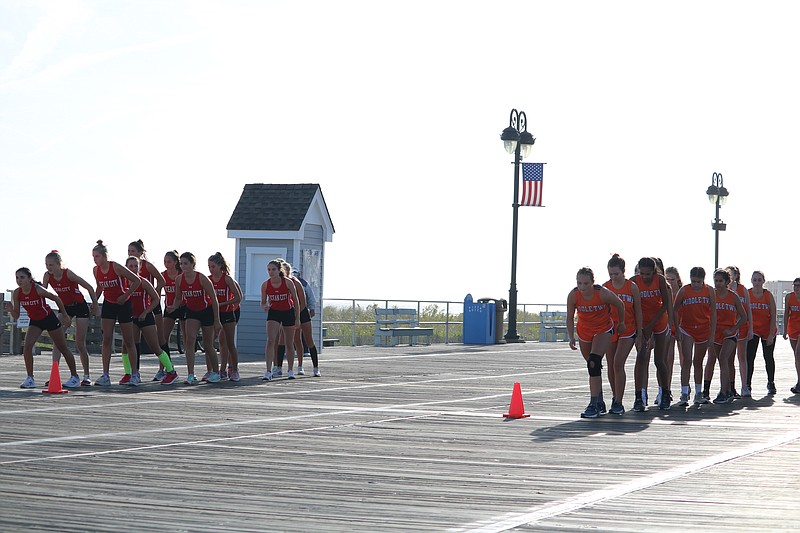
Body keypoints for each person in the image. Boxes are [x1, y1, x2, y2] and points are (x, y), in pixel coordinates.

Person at [567, 266, 625, 419]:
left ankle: (593, 404)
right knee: (592, 366)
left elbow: (620, 304)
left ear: (592, 282)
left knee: (593, 362)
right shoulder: (573, 296)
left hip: (603, 329)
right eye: (579, 283)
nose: (582, 287)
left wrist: (622, 322)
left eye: (586, 284)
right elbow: (569, 316)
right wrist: (571, 336)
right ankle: (599, 400)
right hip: (585, 331)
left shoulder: (602, 293)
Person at [11, 267, 81, 389]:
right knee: (27, 347)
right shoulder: (17, 293)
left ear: (29, 278)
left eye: (22, 277)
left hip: (48, 319)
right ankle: (30, 378)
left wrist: (65, 315)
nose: (19, 280)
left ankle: (75, 377)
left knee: (62, 347)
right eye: (17, 278)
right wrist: (11, 310)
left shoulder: (37, 289)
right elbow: (16, 316)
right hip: (35, 321)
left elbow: (56, 298)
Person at [42, 250, 98, 386]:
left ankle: (86, 376)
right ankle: (54, 374)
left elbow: (90, 288)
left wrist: (95, 305)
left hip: (79, 307)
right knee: (57, 339)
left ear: (58, 264)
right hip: (65, 307)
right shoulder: (47, 276)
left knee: (80, 343)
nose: (49, 268)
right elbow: (43, 292)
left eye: (51, 265)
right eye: (47, 265)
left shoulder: (69, 274)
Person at [166, 252, 221, 385]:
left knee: (208, 345)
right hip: (192, 312)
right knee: (189, 341)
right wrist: (173, 306)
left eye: (186, 263)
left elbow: (214, 299)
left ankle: (216, 372)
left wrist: (217, 320)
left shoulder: (202, 278)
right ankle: (191, 374)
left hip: (206, 311)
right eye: (181, 264)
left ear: (192, 264)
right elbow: (179, 298)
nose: (183, 266)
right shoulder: (179, 279)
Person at [92, 240, 142, 386]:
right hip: (109, 304)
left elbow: (136, 281)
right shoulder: (96, 270)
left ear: (105, 256)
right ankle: (105, 375)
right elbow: (100, 287)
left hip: (123, 304)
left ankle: (134, 373)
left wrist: (126, 295)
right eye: (93, 257)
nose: (95, 259)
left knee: (129, 340)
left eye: (97, 256)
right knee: (106, 339)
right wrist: (95, 302)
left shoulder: (116, 267)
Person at [125, 256, 179, 385]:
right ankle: (132, 373)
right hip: (132, 318)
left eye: (135, 266)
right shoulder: (125, 282)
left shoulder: (143, 282)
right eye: (130, 266)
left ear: (139, 268)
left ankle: (171, 371)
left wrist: (145, 312)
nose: (132, 269)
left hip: (146, 317)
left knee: (155, 347)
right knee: (130, 345)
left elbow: (155, 299)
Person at [631, 257, 674, 411]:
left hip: (659, 322)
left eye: (648, 274)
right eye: (642, 273)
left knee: (659, 360)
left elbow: (665, 305)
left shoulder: (660, 280)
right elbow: (632, 306)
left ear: (654, 272)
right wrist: (641, 328)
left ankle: (665, 392)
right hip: (642, 323)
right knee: (641, 357)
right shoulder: (634, 281)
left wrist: (653, 325)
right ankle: (639, 396)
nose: (645, 277)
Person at [602, 254, 643, 414]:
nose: (613, 277)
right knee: (611, 365)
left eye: (616, 274)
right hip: (610, 329)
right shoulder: (605, 287)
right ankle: (615, 395)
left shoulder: (631, 287)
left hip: (628, 328)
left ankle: (619, 400)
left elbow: (638, 311)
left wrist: (639, 334)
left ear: (623, 271)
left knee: (619, 363)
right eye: (611, 274)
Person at [671, 267, 716, 406]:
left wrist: (712, 334)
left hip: (703, 329)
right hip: (687, 329)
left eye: (699, 281)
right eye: (693, 281)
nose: (696, 284)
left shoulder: (709, 291)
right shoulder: (684, 290)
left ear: (703, 280)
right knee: (687, 361)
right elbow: (674, 309)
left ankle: (698, 392)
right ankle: (684, 393)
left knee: (698, 362)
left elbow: (714, 313)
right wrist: (677, 329)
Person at [709, 268, 747, 403]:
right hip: (715, 333)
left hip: (729, 334)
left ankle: (724, 391)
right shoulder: (711, 295)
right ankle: (729, 391)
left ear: (727, 282)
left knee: (724, 358)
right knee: (721, 361)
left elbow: (744, 317)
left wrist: (733, 329)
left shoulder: (733, 296)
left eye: (720, 281)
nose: (718, 284)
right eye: (716, 281)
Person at [128, 240, 169, 366]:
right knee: (134, 340)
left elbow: (161, 281)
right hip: (136, 306)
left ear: (140, 252)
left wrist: (154, 293)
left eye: (133, 251)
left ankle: (165, 369)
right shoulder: (128, 268)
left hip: (151, 304)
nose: (130, 253)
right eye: (128, 251)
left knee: (159, 339)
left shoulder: (147, 266)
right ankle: (135, 371)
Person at [261, 259, 301, 381]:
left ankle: (290, 370)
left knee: (289, 342)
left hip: (288, 312)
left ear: (279, 270)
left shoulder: (288, 283)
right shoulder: (265, 285)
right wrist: (265, 306)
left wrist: (297, 318)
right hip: (274, 313)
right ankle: (268, 370)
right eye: (269, 270)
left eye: (273, 269)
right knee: (270, 341)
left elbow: (296, 301)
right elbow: (263, 302)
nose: (271, 272)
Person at [208, 252, 241, 382]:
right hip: (214, 314)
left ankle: (234, 369)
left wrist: (223, 304)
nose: (211, 269)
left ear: (220, 266)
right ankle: (218, 370)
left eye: (213, 266)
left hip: (227, 313)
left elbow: (238, 297)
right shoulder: (208, 279)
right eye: (209, 266)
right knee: (215, 342)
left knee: (229, 342)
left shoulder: (226, 279)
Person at [284, 263, 321, 377]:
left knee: (309, 341)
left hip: (303, 312)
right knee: (296, 340)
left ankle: (316, 368)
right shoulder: (284, 283)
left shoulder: (302, 283)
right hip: (292, 313)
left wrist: (310, 309)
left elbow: (308, 298)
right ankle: (299, 366)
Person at [747, 271, 777, 395]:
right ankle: (747, 384)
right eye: (755, 280)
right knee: (750, 357)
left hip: (767, 329)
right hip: (753, 330)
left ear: (763, 281)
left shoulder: (768, 295)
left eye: (759, 280)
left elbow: (774, 315)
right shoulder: (747, 294)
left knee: (768, 357)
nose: (757, 282)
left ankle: (771, 382)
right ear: (751, 281)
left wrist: (770, 335)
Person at [159, 250, 184, 380]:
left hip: (182, 307)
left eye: (169, 261)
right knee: (163, 338)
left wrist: (177, 305)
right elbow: (157, 290)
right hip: (169, 308)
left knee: (187, 338)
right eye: (165, 262)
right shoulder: (163, 275)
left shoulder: (181, 275)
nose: (166, 264)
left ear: (175, 262)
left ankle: (190, 370)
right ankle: (162, 369)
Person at [663, 266, 683, 404]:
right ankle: (666, 389)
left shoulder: (682, 292)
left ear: (678, 279)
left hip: (682, 327)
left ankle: (684, 390)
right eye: (667, 279)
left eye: (672, 279)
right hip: (669, 327)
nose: (670, 281)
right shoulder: (665, 292)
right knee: (668, 359)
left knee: (685, 360)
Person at [783, 278, 800, 393]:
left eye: (799, 285)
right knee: (797, 356)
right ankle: (799, 380)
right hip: (792, 328)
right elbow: (786, 314)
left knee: (798, 353)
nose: (797, 288)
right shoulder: (789, 297)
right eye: (795, 285)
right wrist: (784, 330)